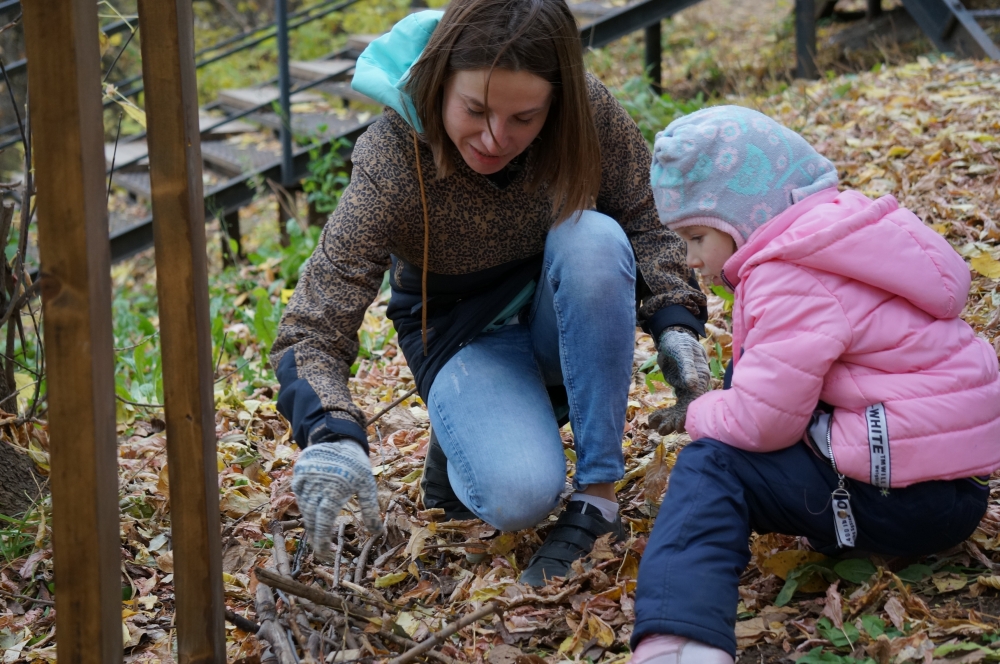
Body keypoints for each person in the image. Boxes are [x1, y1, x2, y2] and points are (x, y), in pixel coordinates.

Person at [270, 0, 711, 585]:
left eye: (523, 118)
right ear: (441, 81)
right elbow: (313, 324)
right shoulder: (392, 157)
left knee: (596, 237)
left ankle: (598, 498)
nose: (494, 137)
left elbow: (645, 217)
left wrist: (675, 322)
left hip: (565, 305)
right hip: (461, 332)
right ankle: (465, 435)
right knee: (518, 498)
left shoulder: (586, 113)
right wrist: (331, 431)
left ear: (554, 102)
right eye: (474, 109)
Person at [631, 106, 1000, 663]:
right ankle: (855, 527)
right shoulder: (846, 235)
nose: (692, 260)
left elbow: (762, 421)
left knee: (712, 463)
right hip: (960, 491)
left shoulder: (787, 274)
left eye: (697, 236)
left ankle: (678, 637)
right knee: (750, 373)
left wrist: (700, 410)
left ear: (743, 216)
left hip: (902, 501)